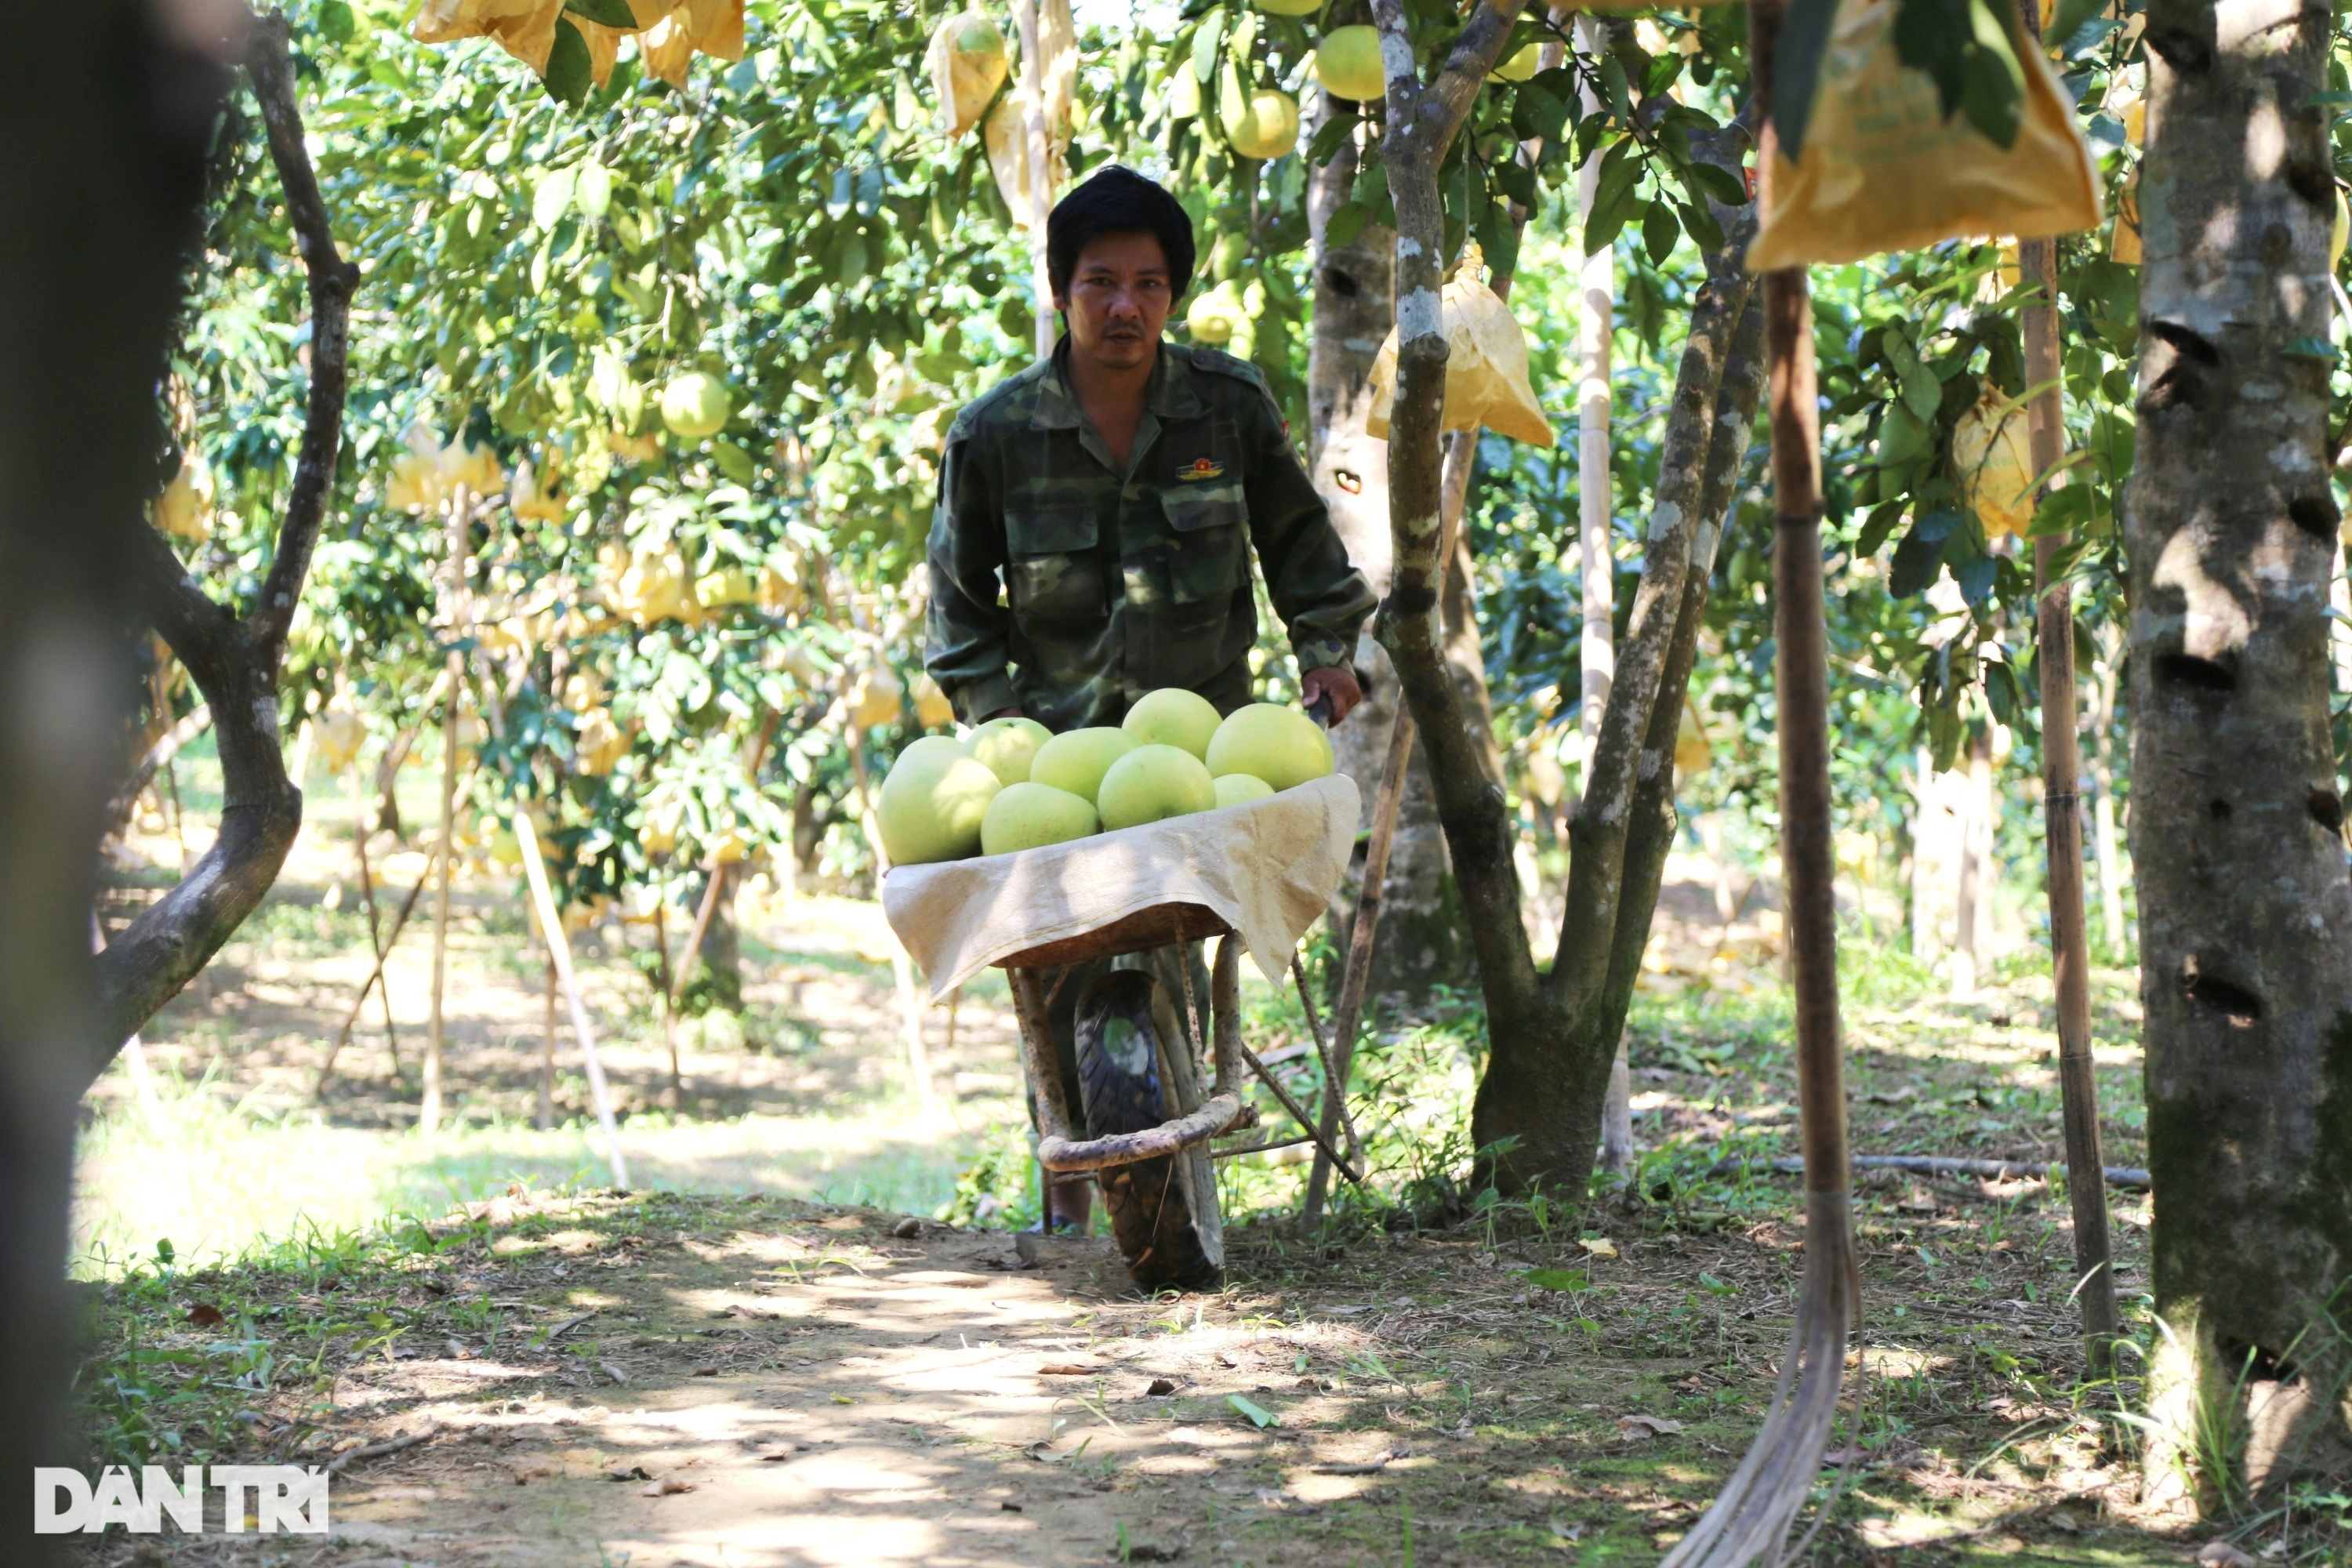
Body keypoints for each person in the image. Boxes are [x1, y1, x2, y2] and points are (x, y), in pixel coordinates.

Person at [925, 165, 1375, 1231]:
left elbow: (1301, 546)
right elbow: (955, 608)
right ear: (1060, 291)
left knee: (1176, 963)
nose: (1124, 307)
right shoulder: (995, 434)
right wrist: (997, 730)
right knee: (1056, 975)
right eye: (1099, 283)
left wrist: (1325, 647)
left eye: (1148, 284)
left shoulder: (1227, 403)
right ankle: (1072, 1197)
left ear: (1172, 295)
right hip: (1060, 763)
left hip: (1202, 756)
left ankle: (1164, 1184)